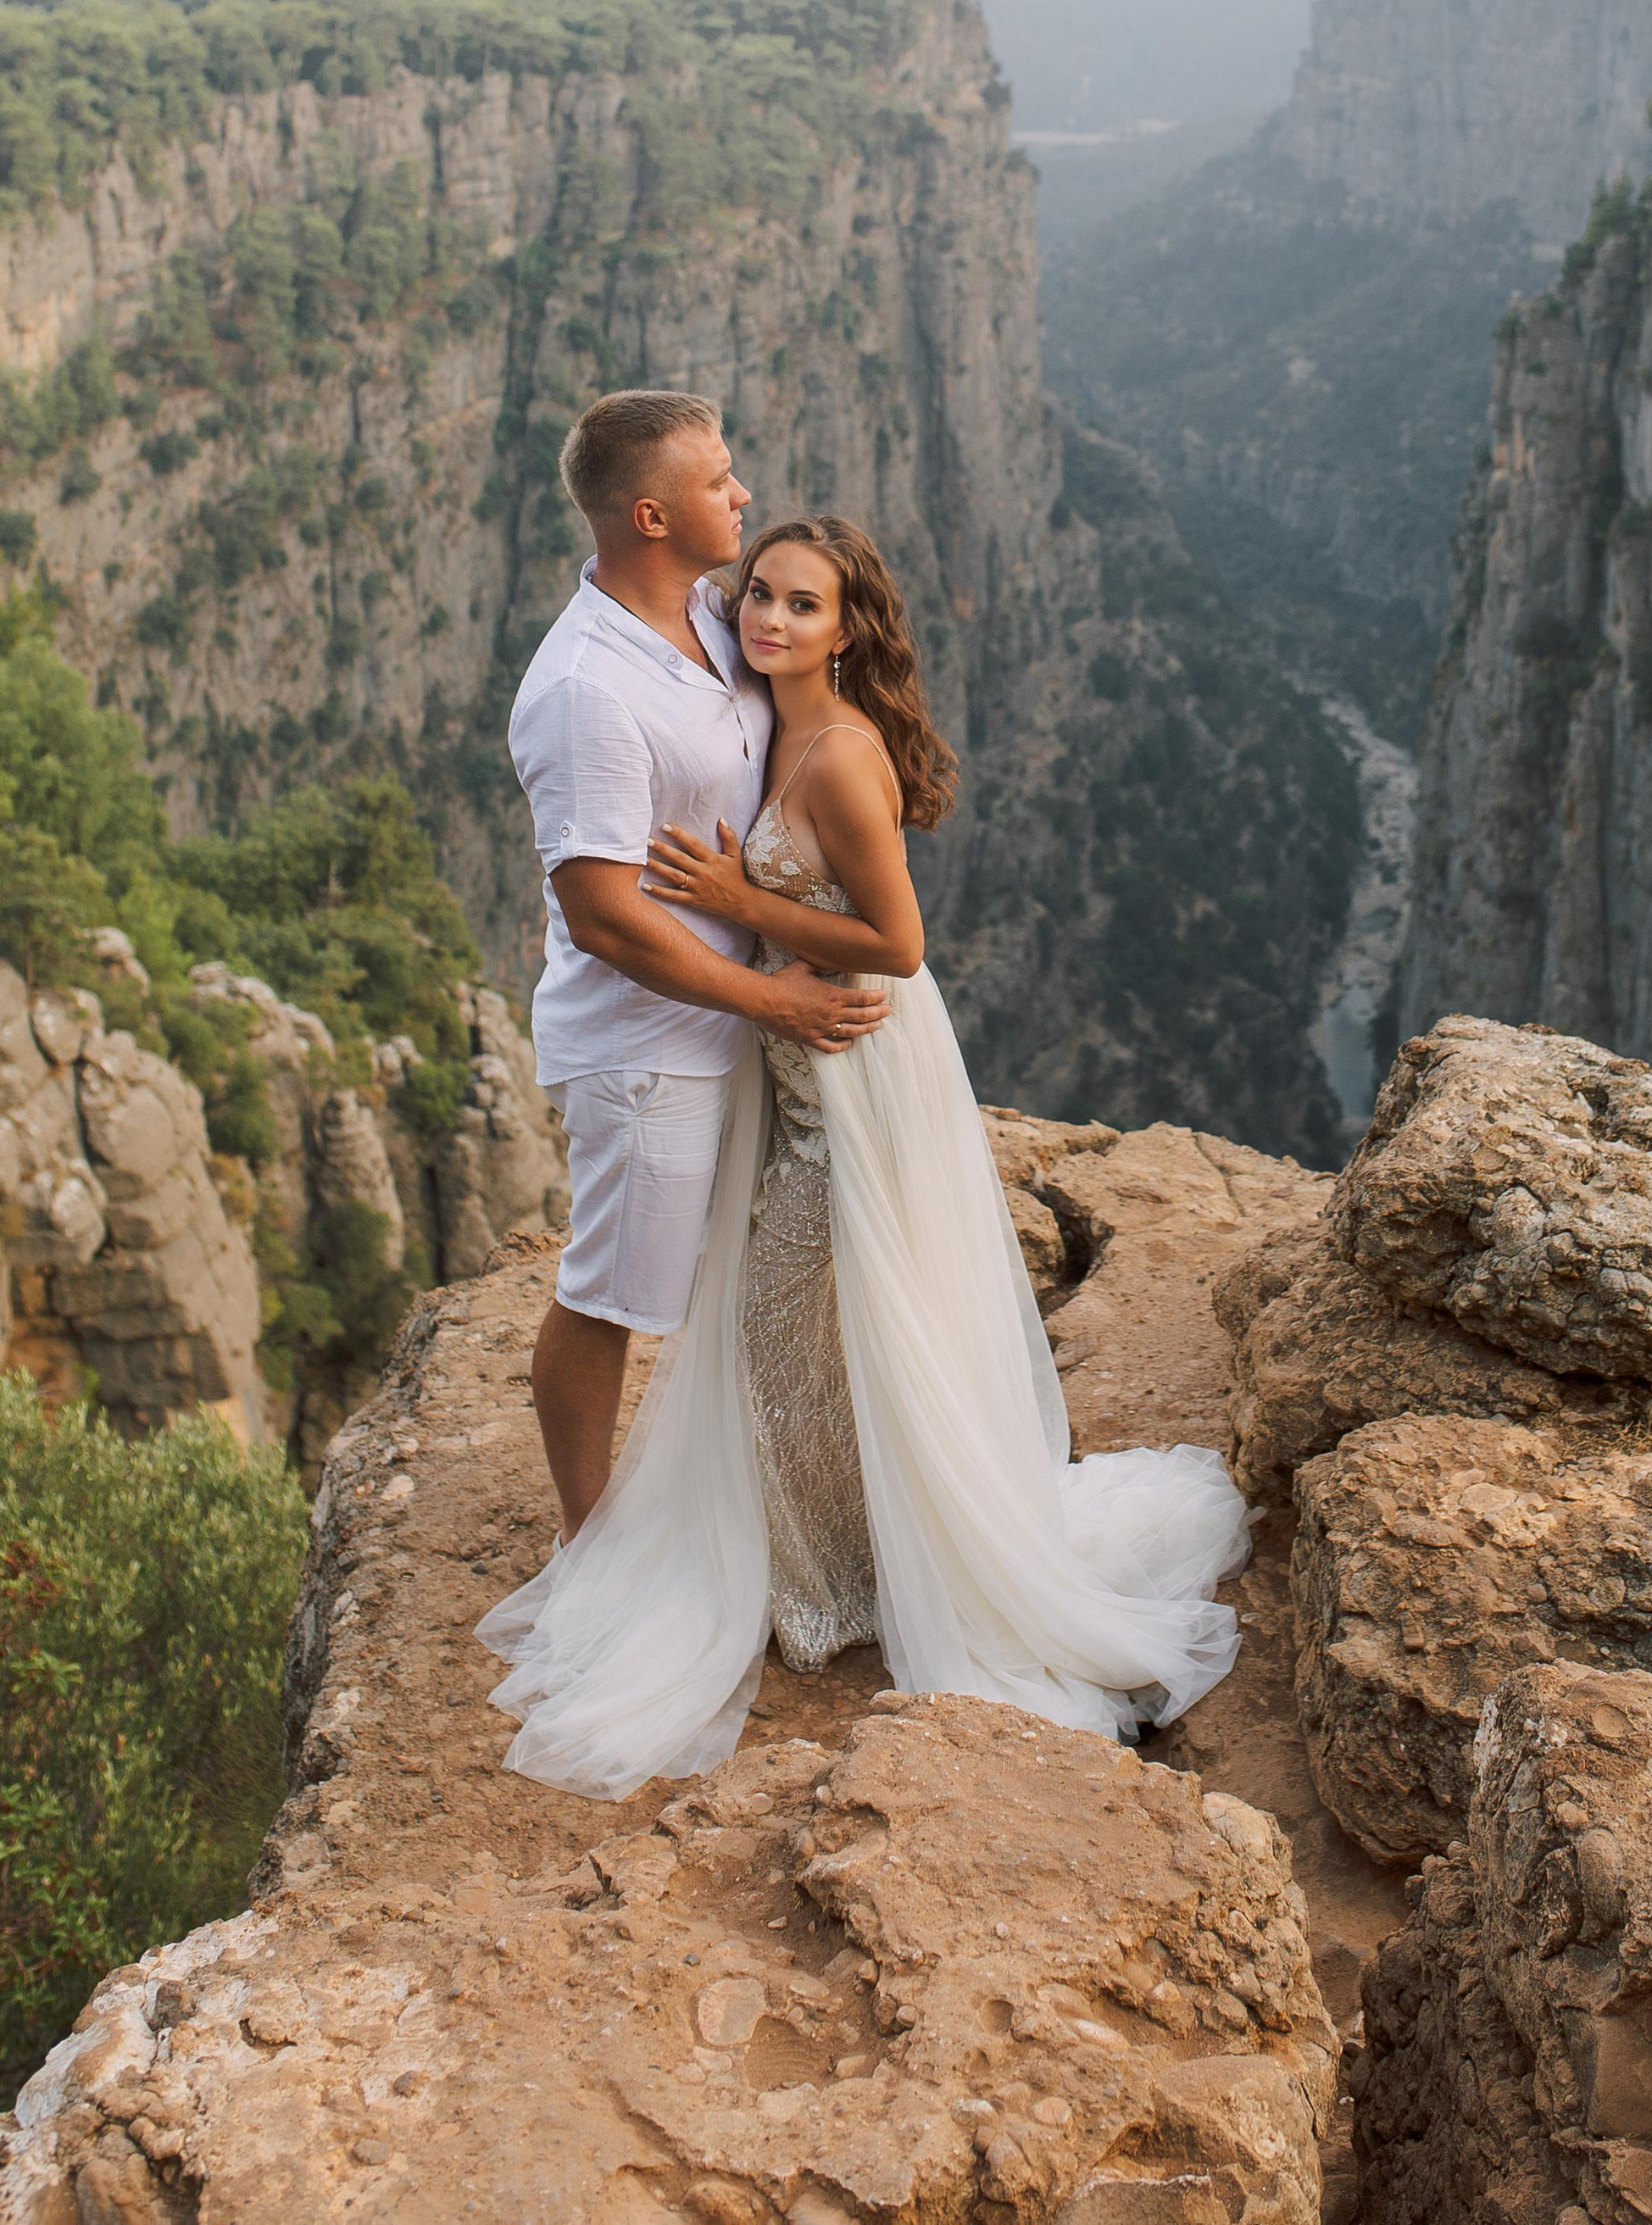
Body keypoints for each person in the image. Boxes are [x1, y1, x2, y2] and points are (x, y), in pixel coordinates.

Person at [480, 511, 1249, 1794]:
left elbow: (896, 943)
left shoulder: (836, 754)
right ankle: (842, 1547)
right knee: (819, 1323)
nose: (770, 620)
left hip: (852, 1065)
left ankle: (847, 1572)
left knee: (788, 1318)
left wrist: (738, 906)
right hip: (792, 1071)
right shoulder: (758, 711)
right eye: (760, 595)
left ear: (849, 631)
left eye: (803, 606)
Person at [501, 393, 891, 1557]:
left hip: (738, 1026)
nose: (743, 494)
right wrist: (779, 995)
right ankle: (592, 1539)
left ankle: (764, 1511)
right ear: (652, 514)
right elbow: (605, 918)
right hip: (646, 1047)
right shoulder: (584, 691)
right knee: (615, 1294)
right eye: (720, 482)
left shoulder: (719, 619)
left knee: (742, 1278)